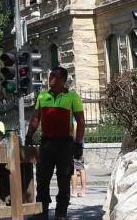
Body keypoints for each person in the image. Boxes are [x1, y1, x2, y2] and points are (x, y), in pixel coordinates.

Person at [26, 67, 85, 220]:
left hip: (65, 144)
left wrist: (79, 143)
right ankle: (42, 214)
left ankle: (61, 214)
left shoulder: (72, 96)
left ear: (63, 80)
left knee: (64, 180)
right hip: (46, 143)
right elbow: (36, 118)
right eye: (50, 75)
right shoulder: (42, 96)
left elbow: (80, 121)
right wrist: (29, 135)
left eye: (54, 75)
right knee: (42, 180)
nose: (50, 77)